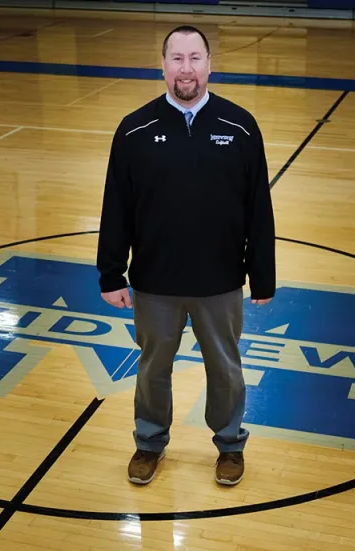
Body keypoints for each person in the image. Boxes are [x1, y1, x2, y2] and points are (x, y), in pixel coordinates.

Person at [96, 25, 275, 487]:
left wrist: (263, 276)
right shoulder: (135, 129)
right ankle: (149, 443)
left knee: (226, 369)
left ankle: (230, 445)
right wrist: (111, 273)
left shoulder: (240, 126)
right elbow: (115, 206)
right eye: (177, 58)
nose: (186, 69)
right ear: (163, 65)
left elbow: (259, 208)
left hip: (219, 281)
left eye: (195, 58)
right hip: (156, 283)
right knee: (153, 368)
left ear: (210, 65)